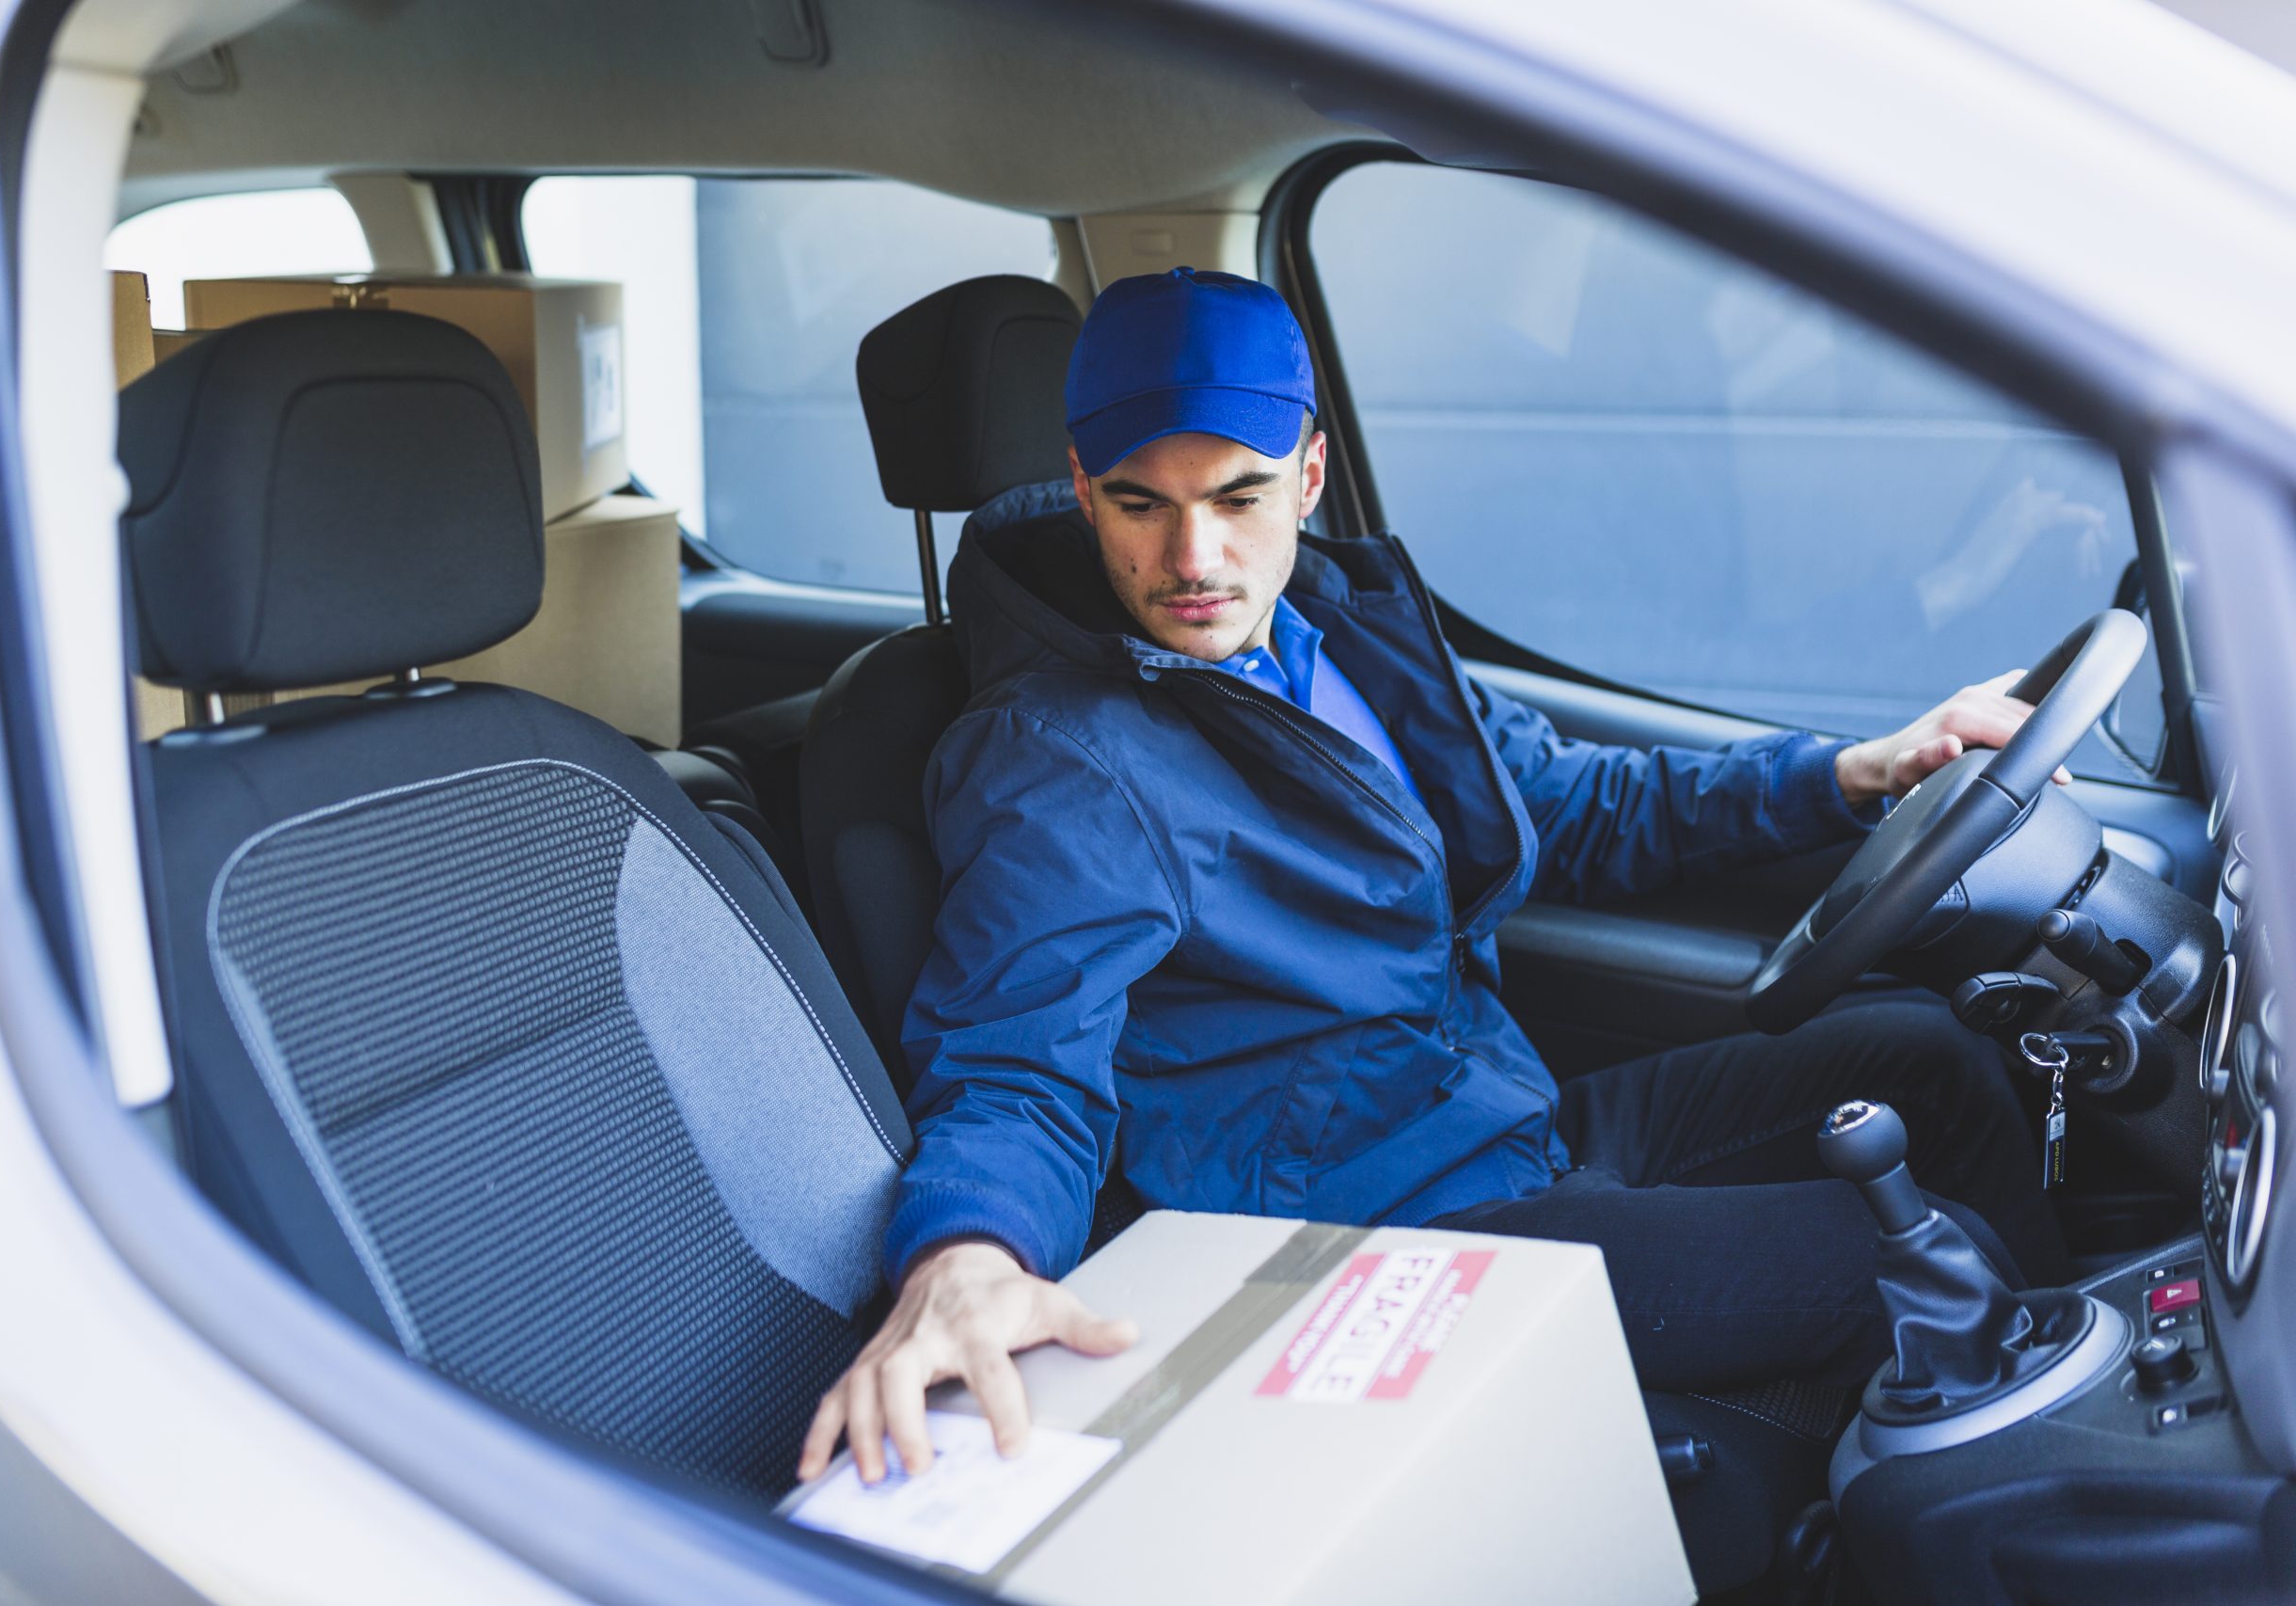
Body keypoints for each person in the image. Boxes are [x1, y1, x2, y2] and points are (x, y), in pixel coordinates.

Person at [799, 268, 2071, 1485]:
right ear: (1082, 488)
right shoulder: (1061, 761)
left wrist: (1856, 772)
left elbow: (1565, 800)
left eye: (1238, 497)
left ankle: (2059, 1448)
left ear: (1307, 477)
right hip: (1364, 1236)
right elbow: (1019, 1061)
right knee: (1908, 1264)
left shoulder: (1342, 632)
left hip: (1496, 1121)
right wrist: (964, 1256)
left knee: (1933, 1064)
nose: (1194, 559)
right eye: (1141, 504)